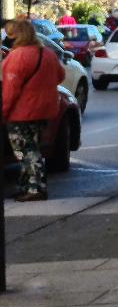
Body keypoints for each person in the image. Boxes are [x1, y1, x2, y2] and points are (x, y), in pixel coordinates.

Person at [2, 19, 64, 201]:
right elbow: (60, 76)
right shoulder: (47, 53)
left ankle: (36, 189)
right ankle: (26, 185)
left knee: (24, 151)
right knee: (33, 148)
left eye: (10, 35)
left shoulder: (17, 56)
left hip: (21, 113)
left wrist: (4, 112)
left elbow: (10, 90)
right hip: (44, 110)